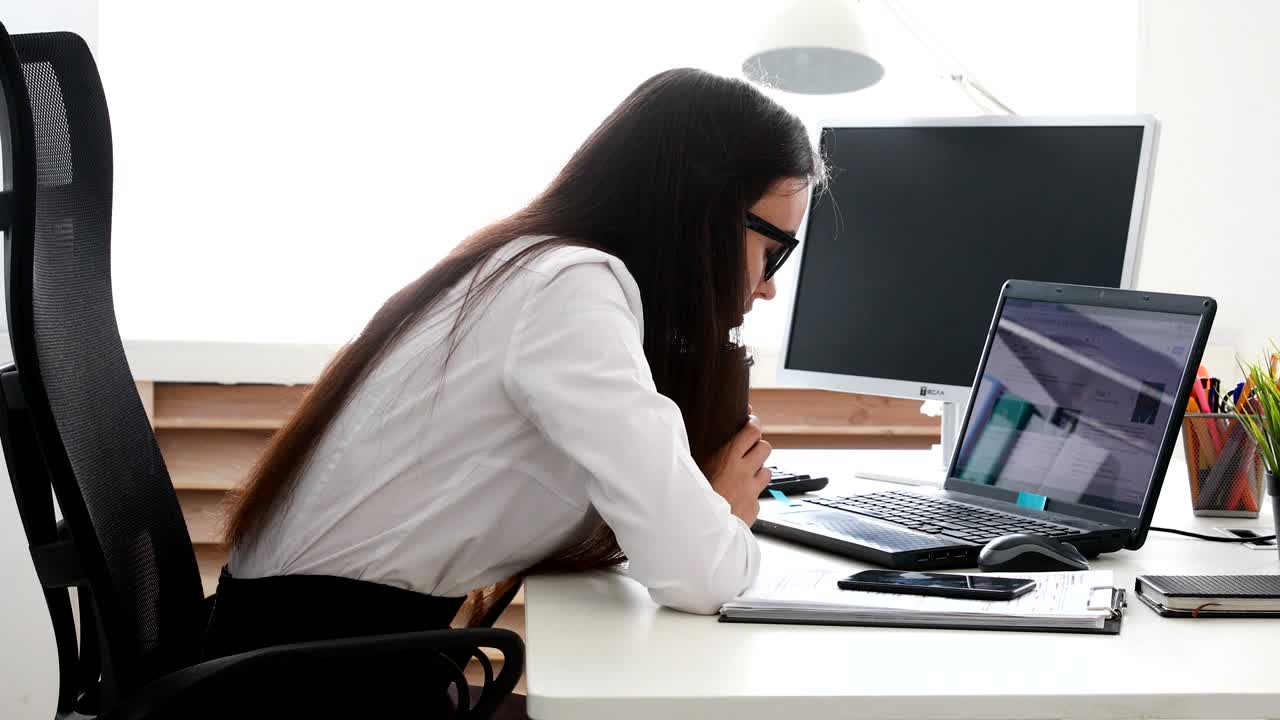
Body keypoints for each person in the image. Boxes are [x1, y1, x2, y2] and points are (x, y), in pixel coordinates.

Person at [204, 67, 823, 715]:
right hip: (309, 689)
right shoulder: (569, 292)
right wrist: (720, 515)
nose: (769, 284)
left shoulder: (534, 269)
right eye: (774, 250)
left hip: (313, 657)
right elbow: (702, 574)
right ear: (703, 214)